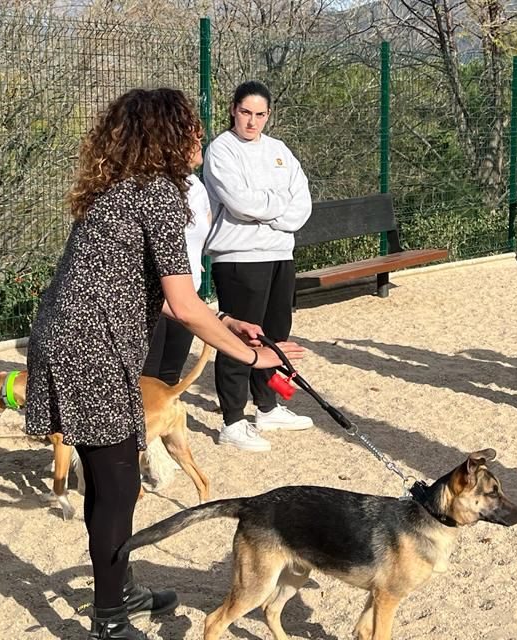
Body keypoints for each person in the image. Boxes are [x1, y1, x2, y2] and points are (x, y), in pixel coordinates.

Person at [24, 88, 305, 640]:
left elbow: (161, 290)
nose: (201, 136)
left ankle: (118, 587)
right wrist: (254, 355)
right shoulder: (155, 194)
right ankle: (110, 618)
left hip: (75, 342)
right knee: (117, 485)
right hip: (90, 351)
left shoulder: (119, 189)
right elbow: (181, 302)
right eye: (192, 128)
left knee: (114, 481)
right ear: (168, 135)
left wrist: (226, 319)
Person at [203, 80, 313, 452]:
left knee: (276, 332)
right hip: (238, 257)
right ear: (233, 109)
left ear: (269, 115)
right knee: (239, 337)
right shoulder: (221, 150)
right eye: (246, 112)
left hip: (280, 253)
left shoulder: (280, 150)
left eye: (260, 114)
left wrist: (272, 212)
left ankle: (267, 405)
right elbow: (239, 203)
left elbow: (302, 203)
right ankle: (233, 420)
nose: (252, 121)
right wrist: (276, 205)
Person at [141, 152, 212, 385]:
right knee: (147, 375)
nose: (198, 144)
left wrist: (196, 255)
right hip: (155, 295)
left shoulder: (195, 184)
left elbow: (205, 222)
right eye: (193, 137)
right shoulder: (153, 184)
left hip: (189, 288)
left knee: (171, 374)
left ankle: (165, 421)